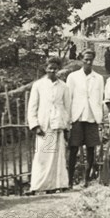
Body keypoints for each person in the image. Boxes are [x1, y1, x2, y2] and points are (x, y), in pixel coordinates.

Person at [27, 57, 71, 193]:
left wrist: (67, 125)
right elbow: (32, 107)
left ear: (58, 70)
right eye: (49, 68)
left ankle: (57, 185)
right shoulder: (38, 85)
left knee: (58, 157)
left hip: (58, 124)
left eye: (55, 69)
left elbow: (67, 107)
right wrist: (35, 125)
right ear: (45, 69)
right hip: (44, 125)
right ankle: (37, 186)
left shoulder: (63, 86)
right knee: (43, 156)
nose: (52, 71)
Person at [66, 49, 104, 187]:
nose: (88, 62)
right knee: (74, 148)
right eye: (86, 59)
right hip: (77, 117)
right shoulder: (73, 77)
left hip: (92, 117)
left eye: (91, 60)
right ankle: (69, 181)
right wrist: (69, 119)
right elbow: (68, 99)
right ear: (81, 59)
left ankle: (86, 180)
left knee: (90, 149)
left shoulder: (98, 78)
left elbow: (99, 99)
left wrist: (99, 118)